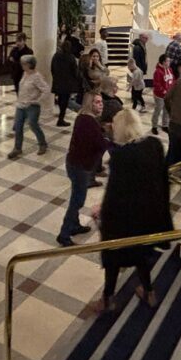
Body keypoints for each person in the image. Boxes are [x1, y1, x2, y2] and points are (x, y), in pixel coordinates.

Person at [94, 108, 173, 312]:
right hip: (148, 216)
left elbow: (114, 195)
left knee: (112, 258)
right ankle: (149, 292)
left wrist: (101, 214)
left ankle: (108, 298)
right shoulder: (155, 146)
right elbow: (162, 182)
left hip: (124, 221)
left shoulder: (120, 157)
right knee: (142, 256)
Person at [59, 92, 109, 247]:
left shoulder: (84, 117)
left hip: (75, 164)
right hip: (80, 167)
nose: (101, 105)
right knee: (77, 201)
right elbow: (101, 144)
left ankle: (74, 226)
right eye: (97, 102)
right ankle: (64, 234)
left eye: (101, 102)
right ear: (89, 104)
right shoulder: (89, 122)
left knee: (77, 196)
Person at [8, 54, 50, 159]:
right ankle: (17, 148)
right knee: (18, 126)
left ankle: (42, 144)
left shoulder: (37, 77)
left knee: (33, 125)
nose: (22, 65)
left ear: (29, 65)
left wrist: (37, 100)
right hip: (21, 105)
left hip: (32, 106)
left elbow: (46, 89)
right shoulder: (24, 74)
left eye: (24, 63)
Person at [51, 39, 82, 126]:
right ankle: (61, 119)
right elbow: (75, 72)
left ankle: (61, 118)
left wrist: (55, 77)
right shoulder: (70, 57)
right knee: (65, 102)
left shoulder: (56, 55)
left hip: (58, 82)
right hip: (67, 84)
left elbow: (52, 68)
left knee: (61, 100)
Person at [151, 53, 174, 136]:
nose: (169, 62)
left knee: (166, 111)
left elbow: (172, 80)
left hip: (168, 96)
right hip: (159, 96)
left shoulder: (170, 69)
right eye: (168, 61)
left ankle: (165, 125)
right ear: (163, 62)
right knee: (158, 110)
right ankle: (154, 126)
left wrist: (172, 90)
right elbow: (156, 84)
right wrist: (164, 91)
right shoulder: (157, 72)